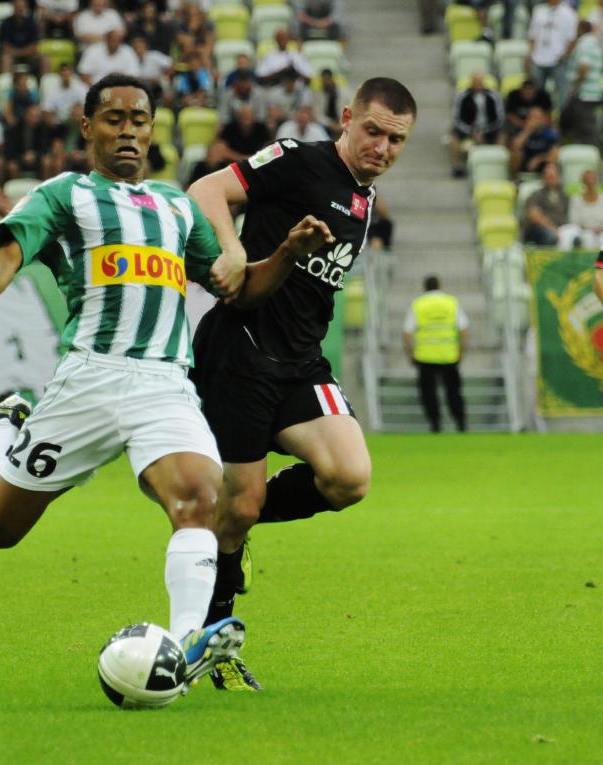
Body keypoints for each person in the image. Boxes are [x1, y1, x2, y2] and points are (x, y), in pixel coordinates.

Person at [0, 73, 334, 689]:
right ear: (87, 127)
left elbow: (238, 289)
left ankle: (185, 646)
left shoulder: (178, 208)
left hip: (163, 382)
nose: (128, 131)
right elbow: (8, 252)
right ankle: (6, 429)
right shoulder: (66, 194)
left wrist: (285, 252)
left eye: (140, 120)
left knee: (199, 499)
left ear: (153, 130)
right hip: (89, 380)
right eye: (114, 119)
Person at [186, 77, 416, 690]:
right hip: (241, 350)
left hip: (301, 361)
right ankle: (216, 645)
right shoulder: (297, 159)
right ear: (347, 118)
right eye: (373, 131)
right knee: (239, 506)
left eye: (395, 140)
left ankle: (235, 522)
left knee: (349, 478)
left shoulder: (364, 199)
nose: (382, 148)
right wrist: (232, 249)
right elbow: (206, 189)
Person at [402, 276, 469, 434]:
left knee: (428, 394)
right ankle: (460, 422)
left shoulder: (418, 304)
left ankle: (435, 424)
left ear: (424, 287)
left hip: (425, 356)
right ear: (440, 286)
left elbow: (407, 333)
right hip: (449, 355)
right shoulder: (451, 302)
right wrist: (461, 351)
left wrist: (410, 353)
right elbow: (464, 329)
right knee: (454, 391)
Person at [449, 72, 504, 178]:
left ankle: (498, 165)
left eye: (480, 82)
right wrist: (472, 131)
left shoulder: (493, 96)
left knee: (503, 134)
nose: (478, 85)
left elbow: (500, 118)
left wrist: (484, 131)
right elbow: (457, 118)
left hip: (489, 129)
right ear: (471, 82)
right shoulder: (462, 96)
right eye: (476, 82)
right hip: (469, 129)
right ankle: (457, 167)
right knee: (453, 136)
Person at [527, 0, 577, 108]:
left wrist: (565, 55)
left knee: (562, 91)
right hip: (538, 58)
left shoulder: (569, 13)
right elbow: (532, 35)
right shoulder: (538, 10)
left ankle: (563, 116)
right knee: (537, 92)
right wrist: (532, 53)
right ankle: (538, 115)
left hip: (559, 59)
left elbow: (572, 39)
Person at [561, 19, 602, 146]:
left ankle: (591, 150)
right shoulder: (594, 44)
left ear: (580, 29)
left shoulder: (584, 45)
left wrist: (575, 87)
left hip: (585, 93)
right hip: (593, 90)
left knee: (586, 126)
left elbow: (584, 67)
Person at [522, 161, 572, 247]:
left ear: (559, 177)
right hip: (540, 229)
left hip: (562, 229)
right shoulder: (536, 194)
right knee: (550, 235)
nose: (550, 179)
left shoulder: (565, 196)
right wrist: (553, 229)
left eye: (552, 176)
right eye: (547, 176)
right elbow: (534, 215)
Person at [568, 169, 603, 249]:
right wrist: (589, 229)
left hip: (601, 232)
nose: (590, 182)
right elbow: (574, 220)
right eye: (587, 180)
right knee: (588, 237)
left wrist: (600, 230)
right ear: (583, 182)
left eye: (592, 179)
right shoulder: (576, 199)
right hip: (583, 232)